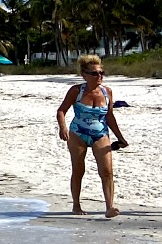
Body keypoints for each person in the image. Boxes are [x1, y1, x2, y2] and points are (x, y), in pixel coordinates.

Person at [55, 54, 129, 218]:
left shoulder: (107, 91)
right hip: (78, 133)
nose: (99, 76)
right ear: (84, 75)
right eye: (95, 73)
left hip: (100, 133)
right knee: (78, 169)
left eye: (102, 73)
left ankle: (109, 207)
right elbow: (61, 110)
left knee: (107, 171)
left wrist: (121, 137)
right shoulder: (76, 91)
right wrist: (63, 128)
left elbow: (109, 116)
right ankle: (76, 204)